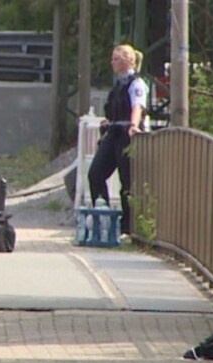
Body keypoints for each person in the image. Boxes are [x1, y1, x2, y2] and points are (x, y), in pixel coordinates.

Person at [88, 44, 149, 236]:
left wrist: (133, 125)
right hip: (113, 133)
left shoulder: (136, 84)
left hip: (126, 136)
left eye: (116, 59)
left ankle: (127, 226)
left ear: (129, 60)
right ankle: (102, 212)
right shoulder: (118, 84)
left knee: (127, 180)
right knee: (95, 173)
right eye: (113, 59)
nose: (112, 62)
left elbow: (137, 107)